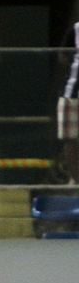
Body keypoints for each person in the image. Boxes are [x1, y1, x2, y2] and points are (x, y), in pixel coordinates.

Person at [57, 20, 79, 185]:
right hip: (72, 93)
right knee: (70, 138)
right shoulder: (76, 28)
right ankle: (75, 179)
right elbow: (62, 57)